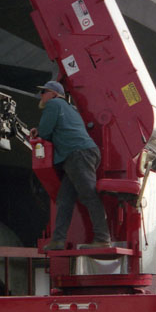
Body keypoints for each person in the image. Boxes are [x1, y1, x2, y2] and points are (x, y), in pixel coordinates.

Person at [29, 80, 111, 251]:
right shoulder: (71, 109)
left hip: (77, 155)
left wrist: (38, 130)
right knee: (64, 200)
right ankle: (58, 241)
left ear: (53, 93)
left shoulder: (53, 104)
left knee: (89, 195)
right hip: (81, 155)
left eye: (44, 92)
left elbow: (45, 131)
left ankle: (103, 238)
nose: (41, 95)